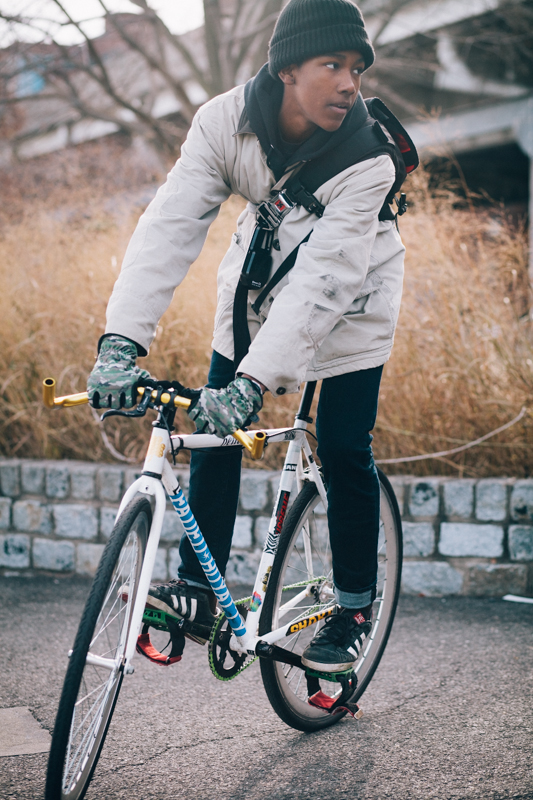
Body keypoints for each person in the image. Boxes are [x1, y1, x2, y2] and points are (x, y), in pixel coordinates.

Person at [87, 0, 407, 674]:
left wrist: (253, 386)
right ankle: (199, 590)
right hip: (256, 291)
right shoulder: (223, 122)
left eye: (356, 68)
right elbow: (169, 226)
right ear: (286, 68)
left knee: (345, 446)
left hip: (352, 302)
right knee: (211, 431)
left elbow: (325, 282)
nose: (350, 82)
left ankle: (352, 607)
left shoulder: (369, 157)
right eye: (333, 65)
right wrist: (119, 342)